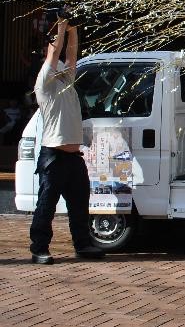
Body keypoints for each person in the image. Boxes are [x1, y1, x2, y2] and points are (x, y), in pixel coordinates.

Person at [29, 16, 104, 264]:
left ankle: (82, 245)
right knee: (46, 206)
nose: (63, 63)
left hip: (73, 157)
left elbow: (71, 55)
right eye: (56, 60)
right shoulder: (45, 82)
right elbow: (55, 52)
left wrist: (73, 30)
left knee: (80, 204)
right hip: (54, 156)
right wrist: (60, 27)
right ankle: (39, 248)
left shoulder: (65, 80)